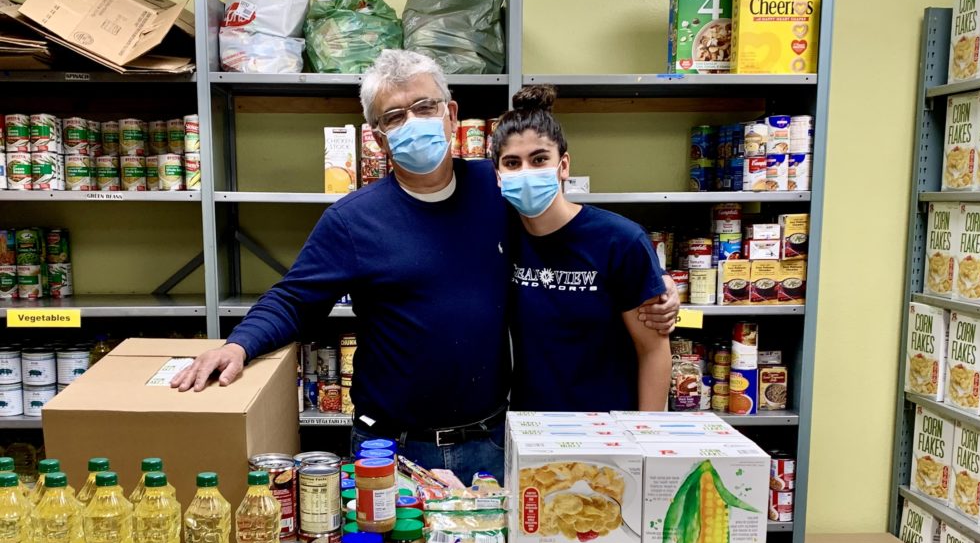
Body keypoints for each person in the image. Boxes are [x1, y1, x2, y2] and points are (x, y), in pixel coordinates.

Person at [171, 50, 678, 484]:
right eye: (394, 117)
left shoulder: (498, 190)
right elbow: (294, 299)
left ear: (451, 115)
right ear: (378, 138)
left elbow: (571, 237)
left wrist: (655, 289)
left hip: (490, 441)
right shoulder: (352, 221)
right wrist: (238, 344)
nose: (412, 122)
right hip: (390, 449)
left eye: (424, 106)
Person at [492, 86, 671, 412]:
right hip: (530, 426)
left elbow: (653, 350)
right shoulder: (500, 235)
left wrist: (649, 432)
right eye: (512, 163)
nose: (527, 172)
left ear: (563, 165)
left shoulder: (620, 240)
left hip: (608, 426)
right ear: (499, 175)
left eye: (539, 159)